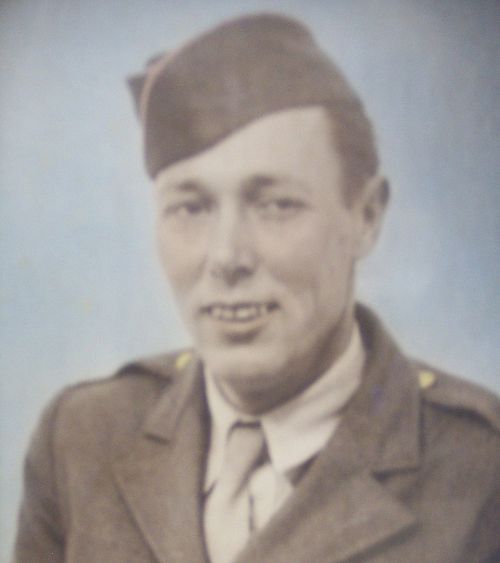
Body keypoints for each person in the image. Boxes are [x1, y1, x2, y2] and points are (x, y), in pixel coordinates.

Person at [13, 13, 500, 563]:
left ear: (365, 217)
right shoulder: (82, 439)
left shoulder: (481, 466)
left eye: (275, 205)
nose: (227, 257)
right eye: (190, 207)